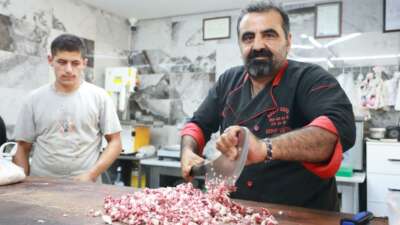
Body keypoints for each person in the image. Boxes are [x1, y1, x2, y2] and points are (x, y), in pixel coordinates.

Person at [180, 2, 355, 211]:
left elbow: (337, 129)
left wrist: (265, 148)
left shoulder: (310, 78)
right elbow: (197, 125)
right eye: (248, 37)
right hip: (236, 211)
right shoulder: (228, 81)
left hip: (301, 215)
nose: (257, 45)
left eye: (269, 35)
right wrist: (188, 151)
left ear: (288, 41)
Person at [13, 34, 122, 183]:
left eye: (75, 63)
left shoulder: (100, 97)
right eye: (62, 62)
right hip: (40, 183)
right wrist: (21, 184)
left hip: (85, 185)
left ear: (84, 63)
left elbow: (115, 142)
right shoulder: (33, 99)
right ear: (50, 60)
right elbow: (22, 147)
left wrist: (91, 175)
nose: (68, 69)